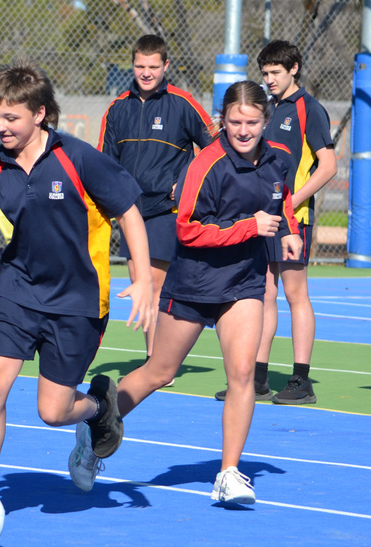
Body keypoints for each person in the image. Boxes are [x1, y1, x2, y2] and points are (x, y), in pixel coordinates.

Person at [0, 58, 155, 498]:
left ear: (39, 114)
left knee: (53, 412)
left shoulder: (76, 158)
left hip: (77, 301)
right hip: (17, 291)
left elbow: (128, 212)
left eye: (11, 117)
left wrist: (146, 279)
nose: (0, 125)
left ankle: (98, 408)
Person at [70, 81, 301, 501]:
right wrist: (250, 227)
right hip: (194, 282)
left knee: (243, 374)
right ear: (222, 120)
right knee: (160, 372)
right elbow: (188, 229)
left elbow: (280, 199)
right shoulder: (206, 163)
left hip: (244, 283)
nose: (243, 130)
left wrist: (288, 231)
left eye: (252, 122)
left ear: (266, 121)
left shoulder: (278, 160)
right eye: (234, 122)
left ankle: (228, 473)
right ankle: (93, 429)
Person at [214, 40, 336, 405]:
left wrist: (291, 203)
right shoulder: (265, 111)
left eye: (275, 73)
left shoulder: (308, 109)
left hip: (292, 219)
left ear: (294, 68)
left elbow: (327, 165)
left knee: (296, 295)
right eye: (264, 73)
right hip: (262, 219)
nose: (268, 79)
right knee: (263, 294)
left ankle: (301, 380)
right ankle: (258, 377)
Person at [98, 35, 212, 374]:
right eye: (139, 66)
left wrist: (187, 179)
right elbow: (105, 163)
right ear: (132, 66)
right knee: (140, 285)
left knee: (155, 283)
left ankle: (158, 362)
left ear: (165, 67)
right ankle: (155, 359)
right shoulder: (118, 107)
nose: (146, 73)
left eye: (152, 67)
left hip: (167, 208)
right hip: (130, 211)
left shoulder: (182, 103)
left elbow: (214, 148)